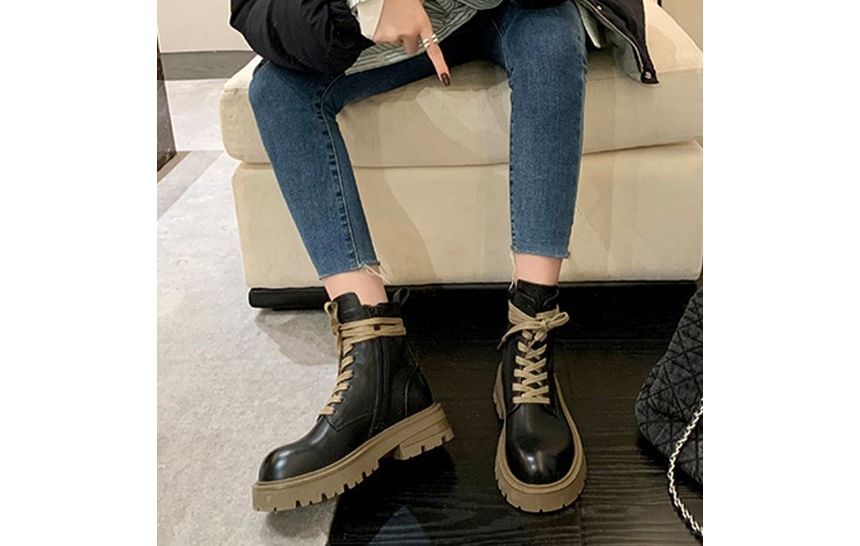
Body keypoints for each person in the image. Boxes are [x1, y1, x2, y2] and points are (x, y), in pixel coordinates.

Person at [230, 0, 656, 514]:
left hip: (514, 7)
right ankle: (379, 362)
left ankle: (529, 333)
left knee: (551, 34)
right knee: (277, 90)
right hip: (401, 19)